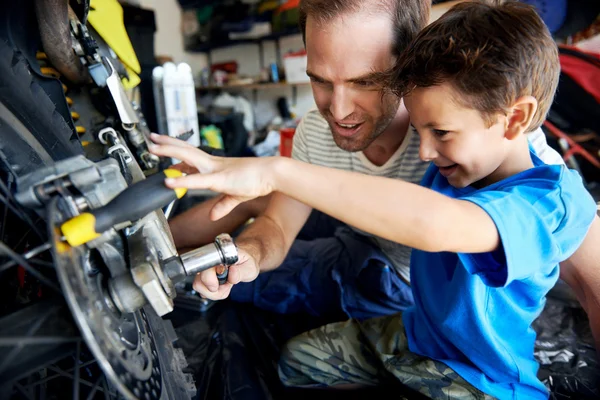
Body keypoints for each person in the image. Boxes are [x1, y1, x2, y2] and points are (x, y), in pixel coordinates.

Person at [150, 1, 597, 398]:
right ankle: (148, 244)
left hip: (444, 336)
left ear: (407, 64)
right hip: (416, 325)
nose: (338, 110)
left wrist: (274, 169)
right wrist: (249, 250)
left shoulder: (518, 170)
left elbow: (439, 222)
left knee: (277, 274)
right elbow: (280, 223)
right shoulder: (445, 154)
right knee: (255, 232)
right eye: (320, 81)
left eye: (364, 81)